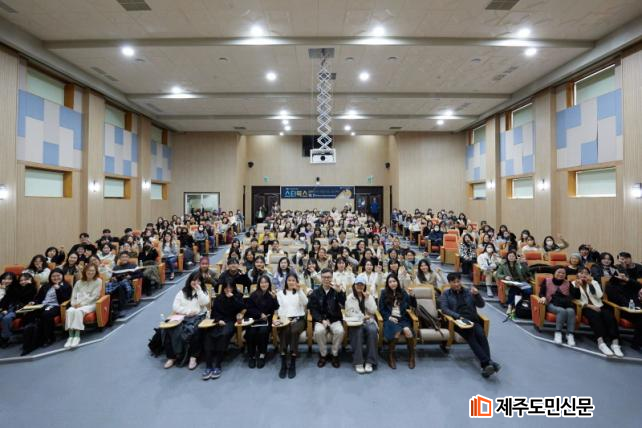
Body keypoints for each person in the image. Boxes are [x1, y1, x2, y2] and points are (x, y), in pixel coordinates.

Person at [439, 273, 500, 378]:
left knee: (481, 335)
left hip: (473, 320)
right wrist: (458, 316)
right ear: (449, 283)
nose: (457, 284)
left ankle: (486, 365)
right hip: (459, 322)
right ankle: (488, 363)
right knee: (471, 336)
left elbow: (481, 305)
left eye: (458, 281)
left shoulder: (469, 292)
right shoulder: (446, 294)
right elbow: (444, 309)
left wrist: (477, 295)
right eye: (454, 282)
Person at [573, 268, 623, 357]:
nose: (584, 275)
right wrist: (589, 306)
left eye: (586, 273)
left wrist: (590, 284)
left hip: (599, 305)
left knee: (610, 316)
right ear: (577, 274)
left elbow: (600, 296)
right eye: (581, 273)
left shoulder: (594, 282)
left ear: (589, 275)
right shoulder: (573, 283)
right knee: (595, 316)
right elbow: (574, 299)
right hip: (585, 307)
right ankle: (601, 343)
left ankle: (615, 343)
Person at [163, 271, 209, 370]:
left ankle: (193, 357)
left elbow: (205, 303)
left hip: (199, 316)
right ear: (190, 280)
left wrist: (199, 290)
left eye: (198, 281)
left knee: (195, 330)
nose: (196, 282)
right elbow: (175, 307)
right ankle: (171, 357)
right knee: (168, 330)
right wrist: (188, 312)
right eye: (194, 280)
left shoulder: (203, 291)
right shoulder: (182, 292)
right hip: (183, 316)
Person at [21, 268, 72, 355]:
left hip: (56, 306)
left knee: (46, 314)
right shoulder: (46, 286)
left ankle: (50, 337)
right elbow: (38, 298)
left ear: (62, 276)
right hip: (43, 305)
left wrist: (58, 289)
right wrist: (34, 302)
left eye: (58, 276)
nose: (56, 278)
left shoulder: (66, 286)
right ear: (50, 277)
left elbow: (64, 300)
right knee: (30, 314)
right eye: (53, 276)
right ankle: (30, 340)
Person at [201, 282, 245, 380]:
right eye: (226, 288)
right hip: (218, 320)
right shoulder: (218, 298)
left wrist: (232, 298)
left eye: (230, 287)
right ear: (223, 288)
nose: (228, 290)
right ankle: (208, 365)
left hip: (231, 321)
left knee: (224, 335)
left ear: (233, 288)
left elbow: (242, 308)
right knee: (208, 335)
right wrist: (218, 320)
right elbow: (214, 313)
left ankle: (217, 364)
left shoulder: (237, 296)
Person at [308, 268, 346, 368]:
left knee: (340, 331)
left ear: (332, 278)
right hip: (321, 319)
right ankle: (323, 354)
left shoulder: (336, 290)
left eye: (328, 277)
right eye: (324, 277)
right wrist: (321, 320)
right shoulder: (315, 292)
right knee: (319, 331)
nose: (326, 279)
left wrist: (340, 292)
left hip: (334, 319)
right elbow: (313, 310)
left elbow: (344, 304)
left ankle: (334, 354)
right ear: (321, 278)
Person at [378, 275, 417, 369]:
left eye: (394, 281)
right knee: (397, 332)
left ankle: (411, 356)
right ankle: (390, 355)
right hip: (390, 319)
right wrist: (389, 317)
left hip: (402, 318)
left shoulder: (403, 292)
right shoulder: (384, 293)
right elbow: (381, 309)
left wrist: (412, 296)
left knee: (408, 331)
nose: (392, 284)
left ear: (397, 282)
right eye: (390, 282)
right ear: (387, 284)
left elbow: (413, 305)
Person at [275, 272, 307, 379]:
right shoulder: (280, 293)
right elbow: (280, 309)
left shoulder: (299, 292)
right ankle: (283, 362)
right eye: (289, 280)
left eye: (293, 280)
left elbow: (305, 303)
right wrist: (286, 319)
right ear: (286, 282)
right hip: (285, 319)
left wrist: (299, 291)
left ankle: (292, 362)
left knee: (294, 331)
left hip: (299, 319)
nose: (291, 282)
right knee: (284, 331)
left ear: (296, 281)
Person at [537, 267, 580, 346]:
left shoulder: (568, 283)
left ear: (565, 275)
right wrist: (542, 297)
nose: (561, 274)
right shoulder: (547, 281)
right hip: (551, 303)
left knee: (571, 311)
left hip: (565, 303)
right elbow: (541, 293)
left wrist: (577, 288)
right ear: (554, 273)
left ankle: (570, 334)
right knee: (561, 311)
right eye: (559, 272)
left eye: (563, 273)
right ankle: (558, 332)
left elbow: (576, 296)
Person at [345, 274, 378, 374]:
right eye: (358, 284)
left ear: (364, 286)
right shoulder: (350, 297)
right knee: (358, 332)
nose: (360, 286)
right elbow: (349, 313)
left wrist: (367, 299)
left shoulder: (369, 296)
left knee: (372, 330)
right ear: (354, 285)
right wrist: (362, 317)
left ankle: (370, 361)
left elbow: (373, 310)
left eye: (362, 285)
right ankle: (358, 362)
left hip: (369, 321)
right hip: (356, 322)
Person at [245, 275, 279, 369]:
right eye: (262, 282)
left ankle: (262, 354)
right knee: (251, 332)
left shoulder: (271, 295)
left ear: (269, 284)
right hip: (254, 319)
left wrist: (274, 298)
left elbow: (276, 308)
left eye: (266, 282)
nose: (264, 284)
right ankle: (251, 356)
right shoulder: (254, 294)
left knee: (263, 331)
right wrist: (260, 314)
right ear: (259, 284)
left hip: (266, 320)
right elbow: (249, 308)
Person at [65, 264, 102, 348]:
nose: (90, 272)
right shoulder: (78, 282)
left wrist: (81, 304)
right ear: (85, 271)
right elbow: (73, 295)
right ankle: (70, 336)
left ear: (96, 271)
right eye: (89, 270)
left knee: (79, 311)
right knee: (69, 311)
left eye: (93, 270)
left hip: (91, 304)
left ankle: (77, 336)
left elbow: (94, 296)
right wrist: (74, 304)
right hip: (77, 304)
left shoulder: (98, 281)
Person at [605, 274, 642, 352]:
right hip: (624, 310)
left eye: (623, 276)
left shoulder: (629, 285)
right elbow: (619, 300)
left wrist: (627, 279)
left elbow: (639, 286)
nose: (621, 277)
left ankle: (637, 342)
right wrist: (633, 306)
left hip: (637, 310)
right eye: (618, 275)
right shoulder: (610, 287)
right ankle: (636, 343)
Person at [0, 273, 37, 347]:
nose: (23, 282)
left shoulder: (32, 288)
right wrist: (4, 309)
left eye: (25, 280)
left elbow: (24, 297)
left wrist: (29, 285)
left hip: (18, 309)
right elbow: (5, 300)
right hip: (9, 308)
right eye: (21, 280)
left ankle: (5, 338)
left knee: (6, 318)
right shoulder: (13, 288)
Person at [496, 250, 532, 319]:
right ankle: (510, 306)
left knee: (528, 291)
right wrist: (505, 277)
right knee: (514, 288)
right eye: (510, 256)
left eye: (513, 256)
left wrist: (524, 264)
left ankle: (522, 306)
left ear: (515, 257)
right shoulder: (503, 265)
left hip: (521, 282)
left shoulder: (519, 263)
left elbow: (527, 273)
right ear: (507, 257)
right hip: (511, 283)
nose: (511, 257)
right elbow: (498, 274)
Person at [106, 251, 141, 316]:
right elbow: (112, 277)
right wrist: (113, 278)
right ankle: (109, 310)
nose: (124, 258)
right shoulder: (116, 268)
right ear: (120, 258)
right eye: (122, 257)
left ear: (128, 258)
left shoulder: (133, 266)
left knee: (121, 287)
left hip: (127, 285)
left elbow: (141, 275)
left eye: (126, 257)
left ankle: (121, 309)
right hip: (116, 285)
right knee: (109, 286)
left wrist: (131, 277)